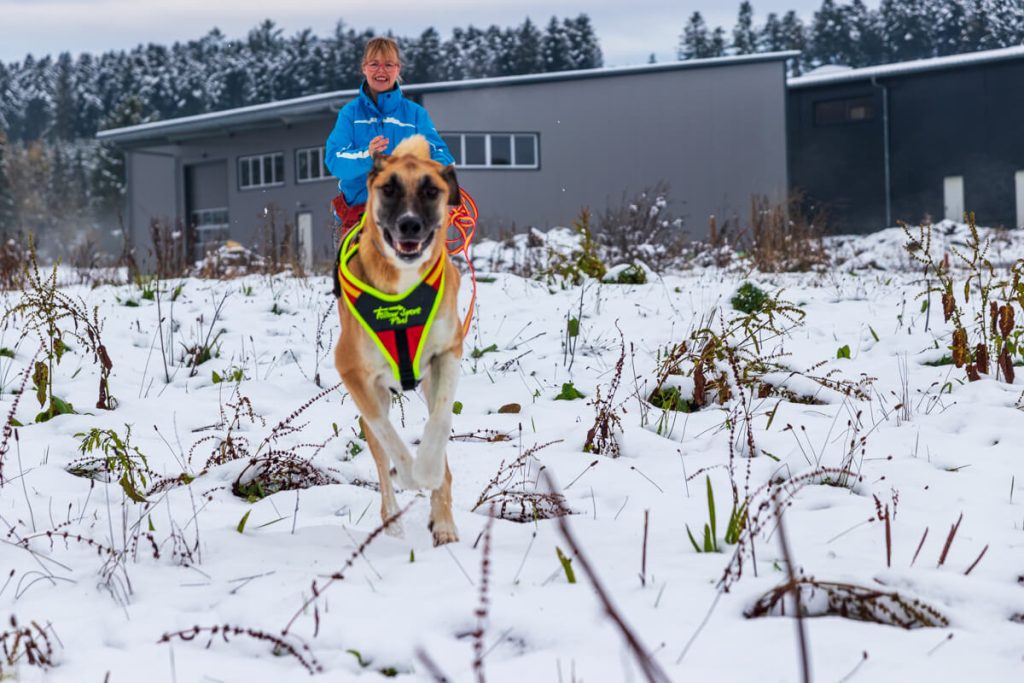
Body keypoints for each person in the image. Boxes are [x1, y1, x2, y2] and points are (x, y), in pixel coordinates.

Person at [325, 37, 455, 231]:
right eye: (374, 64)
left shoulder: (415, 114)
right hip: (358, 217)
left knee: (433, 260)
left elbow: (443, 159)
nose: (381, 71)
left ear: (398, 69)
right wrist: (367, 155)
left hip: (408, 215)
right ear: (364, 68)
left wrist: (417, 165)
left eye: (388, 65)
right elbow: (335, 162)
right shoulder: (350, 114)